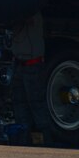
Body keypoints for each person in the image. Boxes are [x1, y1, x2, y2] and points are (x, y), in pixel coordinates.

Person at [11, 11, 50, 145]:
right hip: (20, 64)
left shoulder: (34, 16)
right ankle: (24, 137)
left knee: (36, 103)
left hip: (33, 64)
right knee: (20, 103)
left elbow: (27, 20)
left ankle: (44, 138)